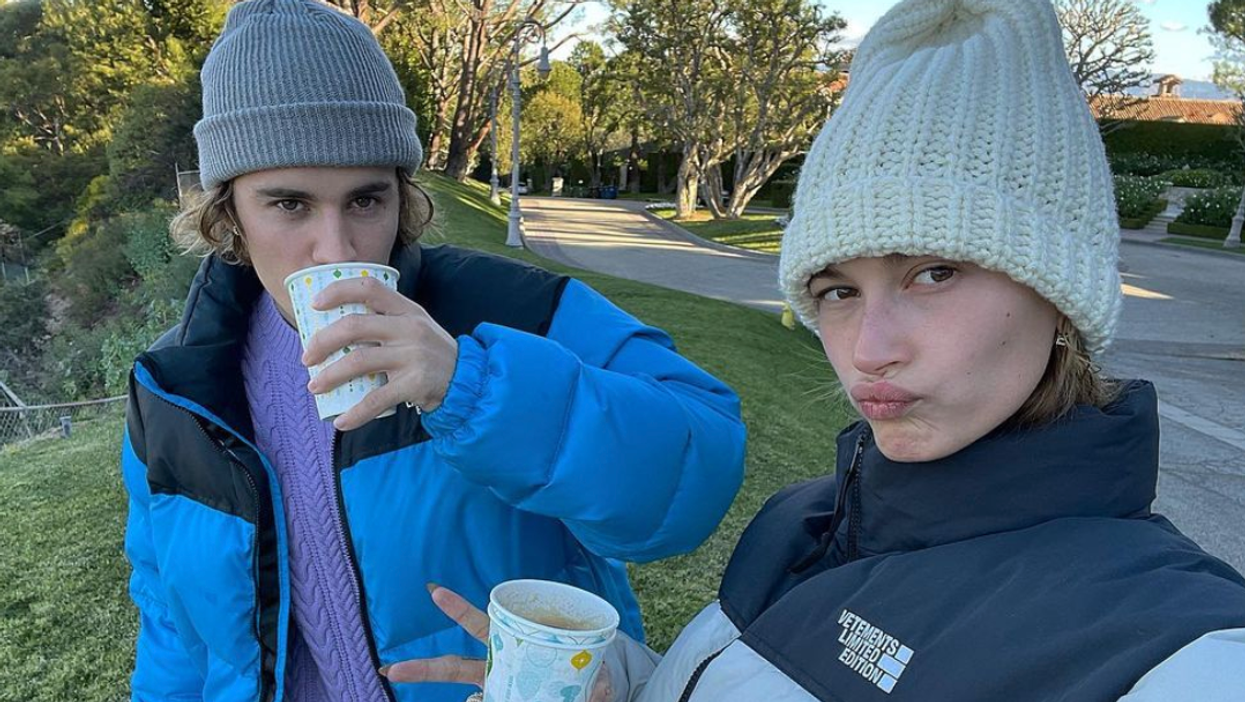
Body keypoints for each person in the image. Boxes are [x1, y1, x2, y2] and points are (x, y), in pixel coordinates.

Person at [393, 0, 1245, 699]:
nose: (867, 349)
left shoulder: (1178, 653)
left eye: (933, 273)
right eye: (838, 290)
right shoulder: (801, 520)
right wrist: (619, 683)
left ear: (1058, 292)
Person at [117, 2, 747, 701]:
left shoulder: (514, 312)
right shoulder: (175, 390)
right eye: (289, 204)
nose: (336, 247)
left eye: (366, 201)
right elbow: (171, 628)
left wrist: (471, 389)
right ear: (227, 211)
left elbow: (702, 470)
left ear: (402, 197)